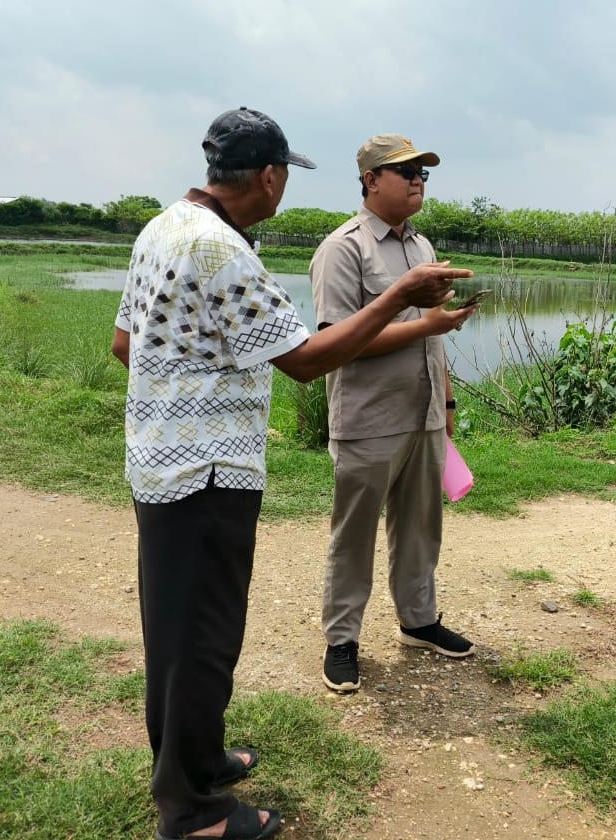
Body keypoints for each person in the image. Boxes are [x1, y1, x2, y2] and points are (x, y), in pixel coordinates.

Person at [110, 109, 471, 840]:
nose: (417, 182)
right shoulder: (221, 249)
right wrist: (400, 299)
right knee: (200, 640)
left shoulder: (165, 226)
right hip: (206, 470)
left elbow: (125, 344)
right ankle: (192, 812)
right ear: (271, 176)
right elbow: (305, 361)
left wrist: (181, 393)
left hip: (164, 460)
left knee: (184, 634)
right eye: (406, 172)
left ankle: (200, 760)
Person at [310, 133, 482, 694]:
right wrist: (426, 324)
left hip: (423, 412)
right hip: (369, 417)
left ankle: (419, 621)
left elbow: (432, 338)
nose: (417, 180)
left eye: (422, 172)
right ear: (370, 180)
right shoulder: (344, 249)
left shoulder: (422, 247)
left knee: (420, 528)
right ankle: (342, 639)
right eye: (404, 171)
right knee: (354, 534)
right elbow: (338, 341)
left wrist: (446, 401)